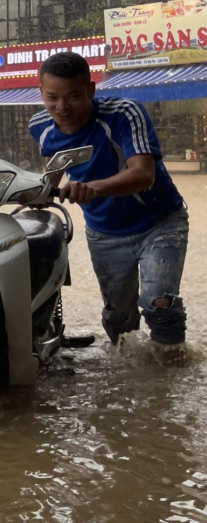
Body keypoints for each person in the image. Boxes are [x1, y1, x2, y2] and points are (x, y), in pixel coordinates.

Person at [29, 51, 189, 345]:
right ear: (41, 92)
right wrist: (32, 195)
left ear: (91, 89)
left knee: (159, 303)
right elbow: (54, 168)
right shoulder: (39, 126)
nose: (62, 107)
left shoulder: (124, 114)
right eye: (52, 97)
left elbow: (143, 174)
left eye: (73, 97)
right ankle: (126, 372)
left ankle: (170, 374)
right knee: (119, 318)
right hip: (104, 231)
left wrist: (92, 188)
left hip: (159, 222)